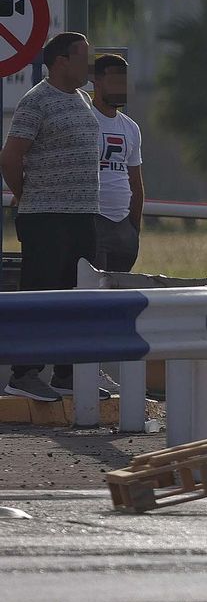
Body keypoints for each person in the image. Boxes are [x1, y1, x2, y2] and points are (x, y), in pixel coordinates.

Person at [0, 33, 101, 403]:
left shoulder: (83, 99)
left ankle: (67, 374)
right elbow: (10, 158)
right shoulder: (36, 101)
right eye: (83, 57)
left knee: (77, 297)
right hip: (46, 217)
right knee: (41, 296)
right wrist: (27, 196)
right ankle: (24, 374)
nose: (89, 66)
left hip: (82, 215)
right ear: (61, 61)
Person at [91, 54, 143, 273]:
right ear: (96, 81)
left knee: (119, 295)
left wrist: (134, 227)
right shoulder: (84, 120)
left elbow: (136, 182)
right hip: (93, 220)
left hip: (123, 225)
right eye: (115, 81)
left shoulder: (131, 128)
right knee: (94, 294)